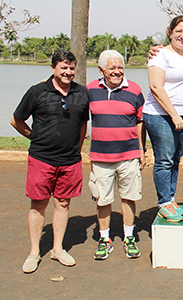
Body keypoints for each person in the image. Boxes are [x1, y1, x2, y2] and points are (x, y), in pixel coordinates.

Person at [10, 50, 90, 273]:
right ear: (53, 68)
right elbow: (16, 120)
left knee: (63, 203)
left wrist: (78, 146)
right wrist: (33, 136)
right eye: (63, 67)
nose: (68, 72)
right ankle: (34, 252)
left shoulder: (82, 93)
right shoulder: (37, 91)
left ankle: (57, 249)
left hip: (70, 160)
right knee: (38, 204)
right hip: (41, 158)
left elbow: (83, 123)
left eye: (72, 68)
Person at [143, 16, 183, 223]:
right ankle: (164, 202)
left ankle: (170, 198)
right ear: (170, 32)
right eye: (179, 31)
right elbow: (155, 86)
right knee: (165, 160)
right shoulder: (160, 54)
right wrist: (174, 114)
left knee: (175, 160)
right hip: (162, 116)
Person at [87, 50, 146, 260]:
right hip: (101, 156)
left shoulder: (135, 90)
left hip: (129, 155)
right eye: (112, 68)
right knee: (103, 199)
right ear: (101, 70)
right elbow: (78, 112)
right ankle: (105, 239)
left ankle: (129, 237)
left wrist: (142, 150)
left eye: (120, 67)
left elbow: (140, 122)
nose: (117, 71)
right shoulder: (91, 90)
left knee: (129, 197)